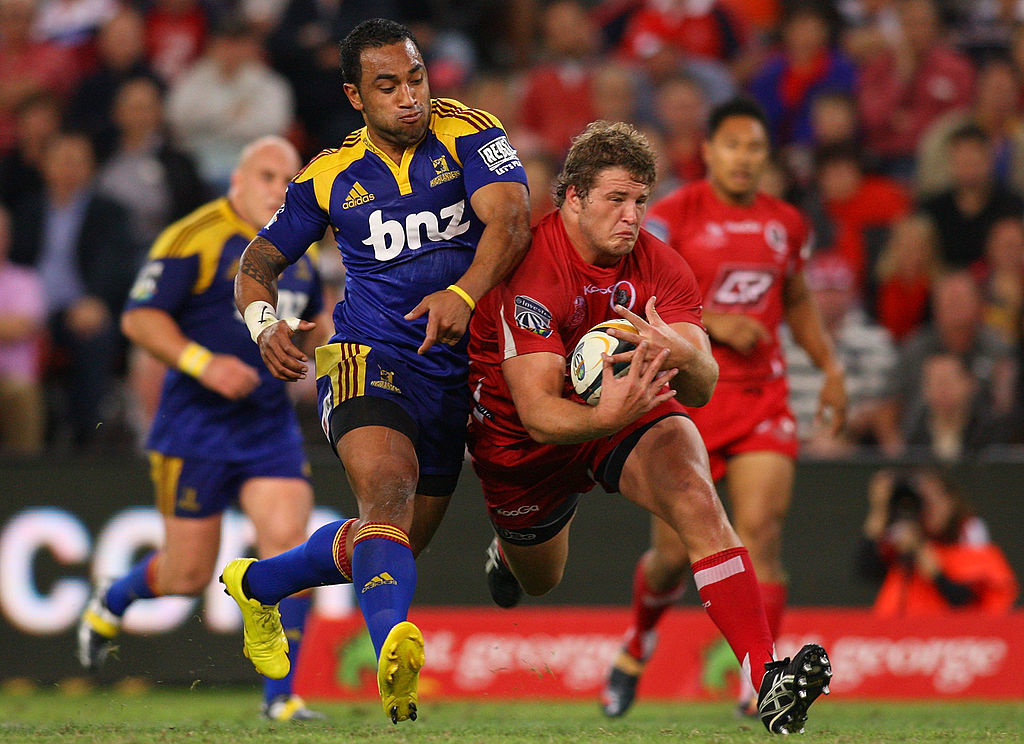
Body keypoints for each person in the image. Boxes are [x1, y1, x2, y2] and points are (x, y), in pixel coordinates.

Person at [217, 18, 531, 726]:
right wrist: (264, 326)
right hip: (365, 357)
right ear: (357, 97)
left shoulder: (472, 132)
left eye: (415, 79)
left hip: (454, 373)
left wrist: (462, 294)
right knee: (387, 496)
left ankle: (258, 584)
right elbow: (256, 266)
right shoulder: (328, 175)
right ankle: (395, 650)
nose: (409, 99)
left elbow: (512, 223)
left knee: (388, 545)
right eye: (388, 86)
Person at [470, 119, 831, 735]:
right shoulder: (532, 270)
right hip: (525, 442)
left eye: (640, 200)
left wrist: (687, 354)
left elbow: (702, 384)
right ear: (574, 198)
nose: (632, 215)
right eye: (616, 199)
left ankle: (766, 675)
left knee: (697, 499)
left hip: (628, 407)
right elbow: (538, 413)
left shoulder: (661, 266)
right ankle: (509, 551)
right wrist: (604, 414)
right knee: (540, 579)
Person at [600, 99, 846, 720]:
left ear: (767, 156)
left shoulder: (786, 223)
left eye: (755, 147)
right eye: (733, 145)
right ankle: (637, 642)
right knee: (672, 552)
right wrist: (714, 322)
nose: (744, 157)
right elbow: (647, 295)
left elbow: (797, 300)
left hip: (764, 396)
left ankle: (759, 682)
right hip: (687, 398)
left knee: (762, 533)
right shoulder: (671, 215)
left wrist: (832, 368)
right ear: (708, 151)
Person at [76, 136, 327, 722]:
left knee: (289, 548)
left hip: (267, 425)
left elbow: (304, 335)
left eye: (288, 181)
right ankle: (113, 597)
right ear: (236, 182)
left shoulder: (301, 257)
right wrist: (203, 363)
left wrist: (304, 344)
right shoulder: (195, 237)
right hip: (196, 426)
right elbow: (139, 317)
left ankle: (280, 698)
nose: (277, 190)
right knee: (187, 574)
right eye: (266, 175)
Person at [856, 467, 1019, 616]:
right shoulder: (903, 543)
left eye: (933, 500)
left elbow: (967, 602)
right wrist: (880, 511)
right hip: (895, 640)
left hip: (949, 641)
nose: (928, 509)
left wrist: (935, 572)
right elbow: (867, 569)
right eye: (923, 501)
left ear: (951, 501)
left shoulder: (974, 546)